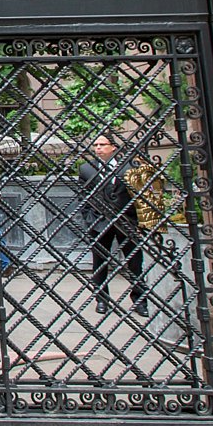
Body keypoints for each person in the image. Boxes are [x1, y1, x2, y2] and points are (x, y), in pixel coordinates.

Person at [78, 134, 147, 317]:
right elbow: (82, 197)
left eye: (102, 144)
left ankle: (140, 300)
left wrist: (139, 221)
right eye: (96, 144)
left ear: (113, 147)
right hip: (99, 222)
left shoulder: (130, 167)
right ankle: (102, 300)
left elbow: (140, 195)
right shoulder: (86, 169)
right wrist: (88, 218)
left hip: (127, 221)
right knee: (100, 264)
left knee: (134, 263)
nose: (98, 148)